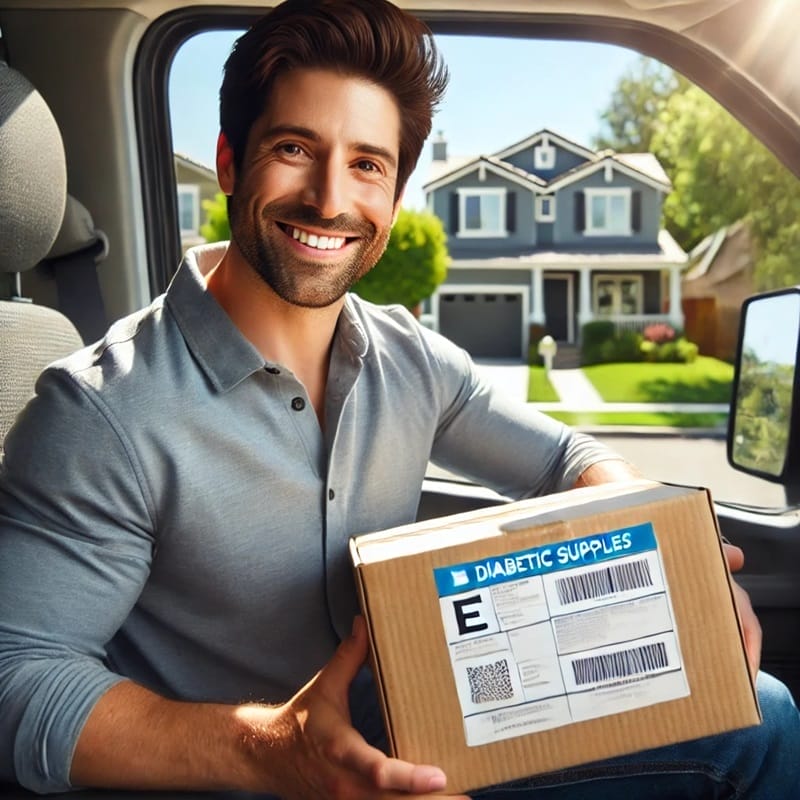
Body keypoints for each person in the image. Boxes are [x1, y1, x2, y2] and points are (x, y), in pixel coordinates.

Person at [0, 0, 797, 797]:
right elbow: (17, 680)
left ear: (394, 194)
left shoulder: (410, 359)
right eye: (292, 148)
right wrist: (273, 750)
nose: (328, 198)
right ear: (232, 161)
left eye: (366, 165)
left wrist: (681, 565)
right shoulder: (100, 412)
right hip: (245, 778)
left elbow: (568, 458)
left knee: (759, 718)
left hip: (416, 744)